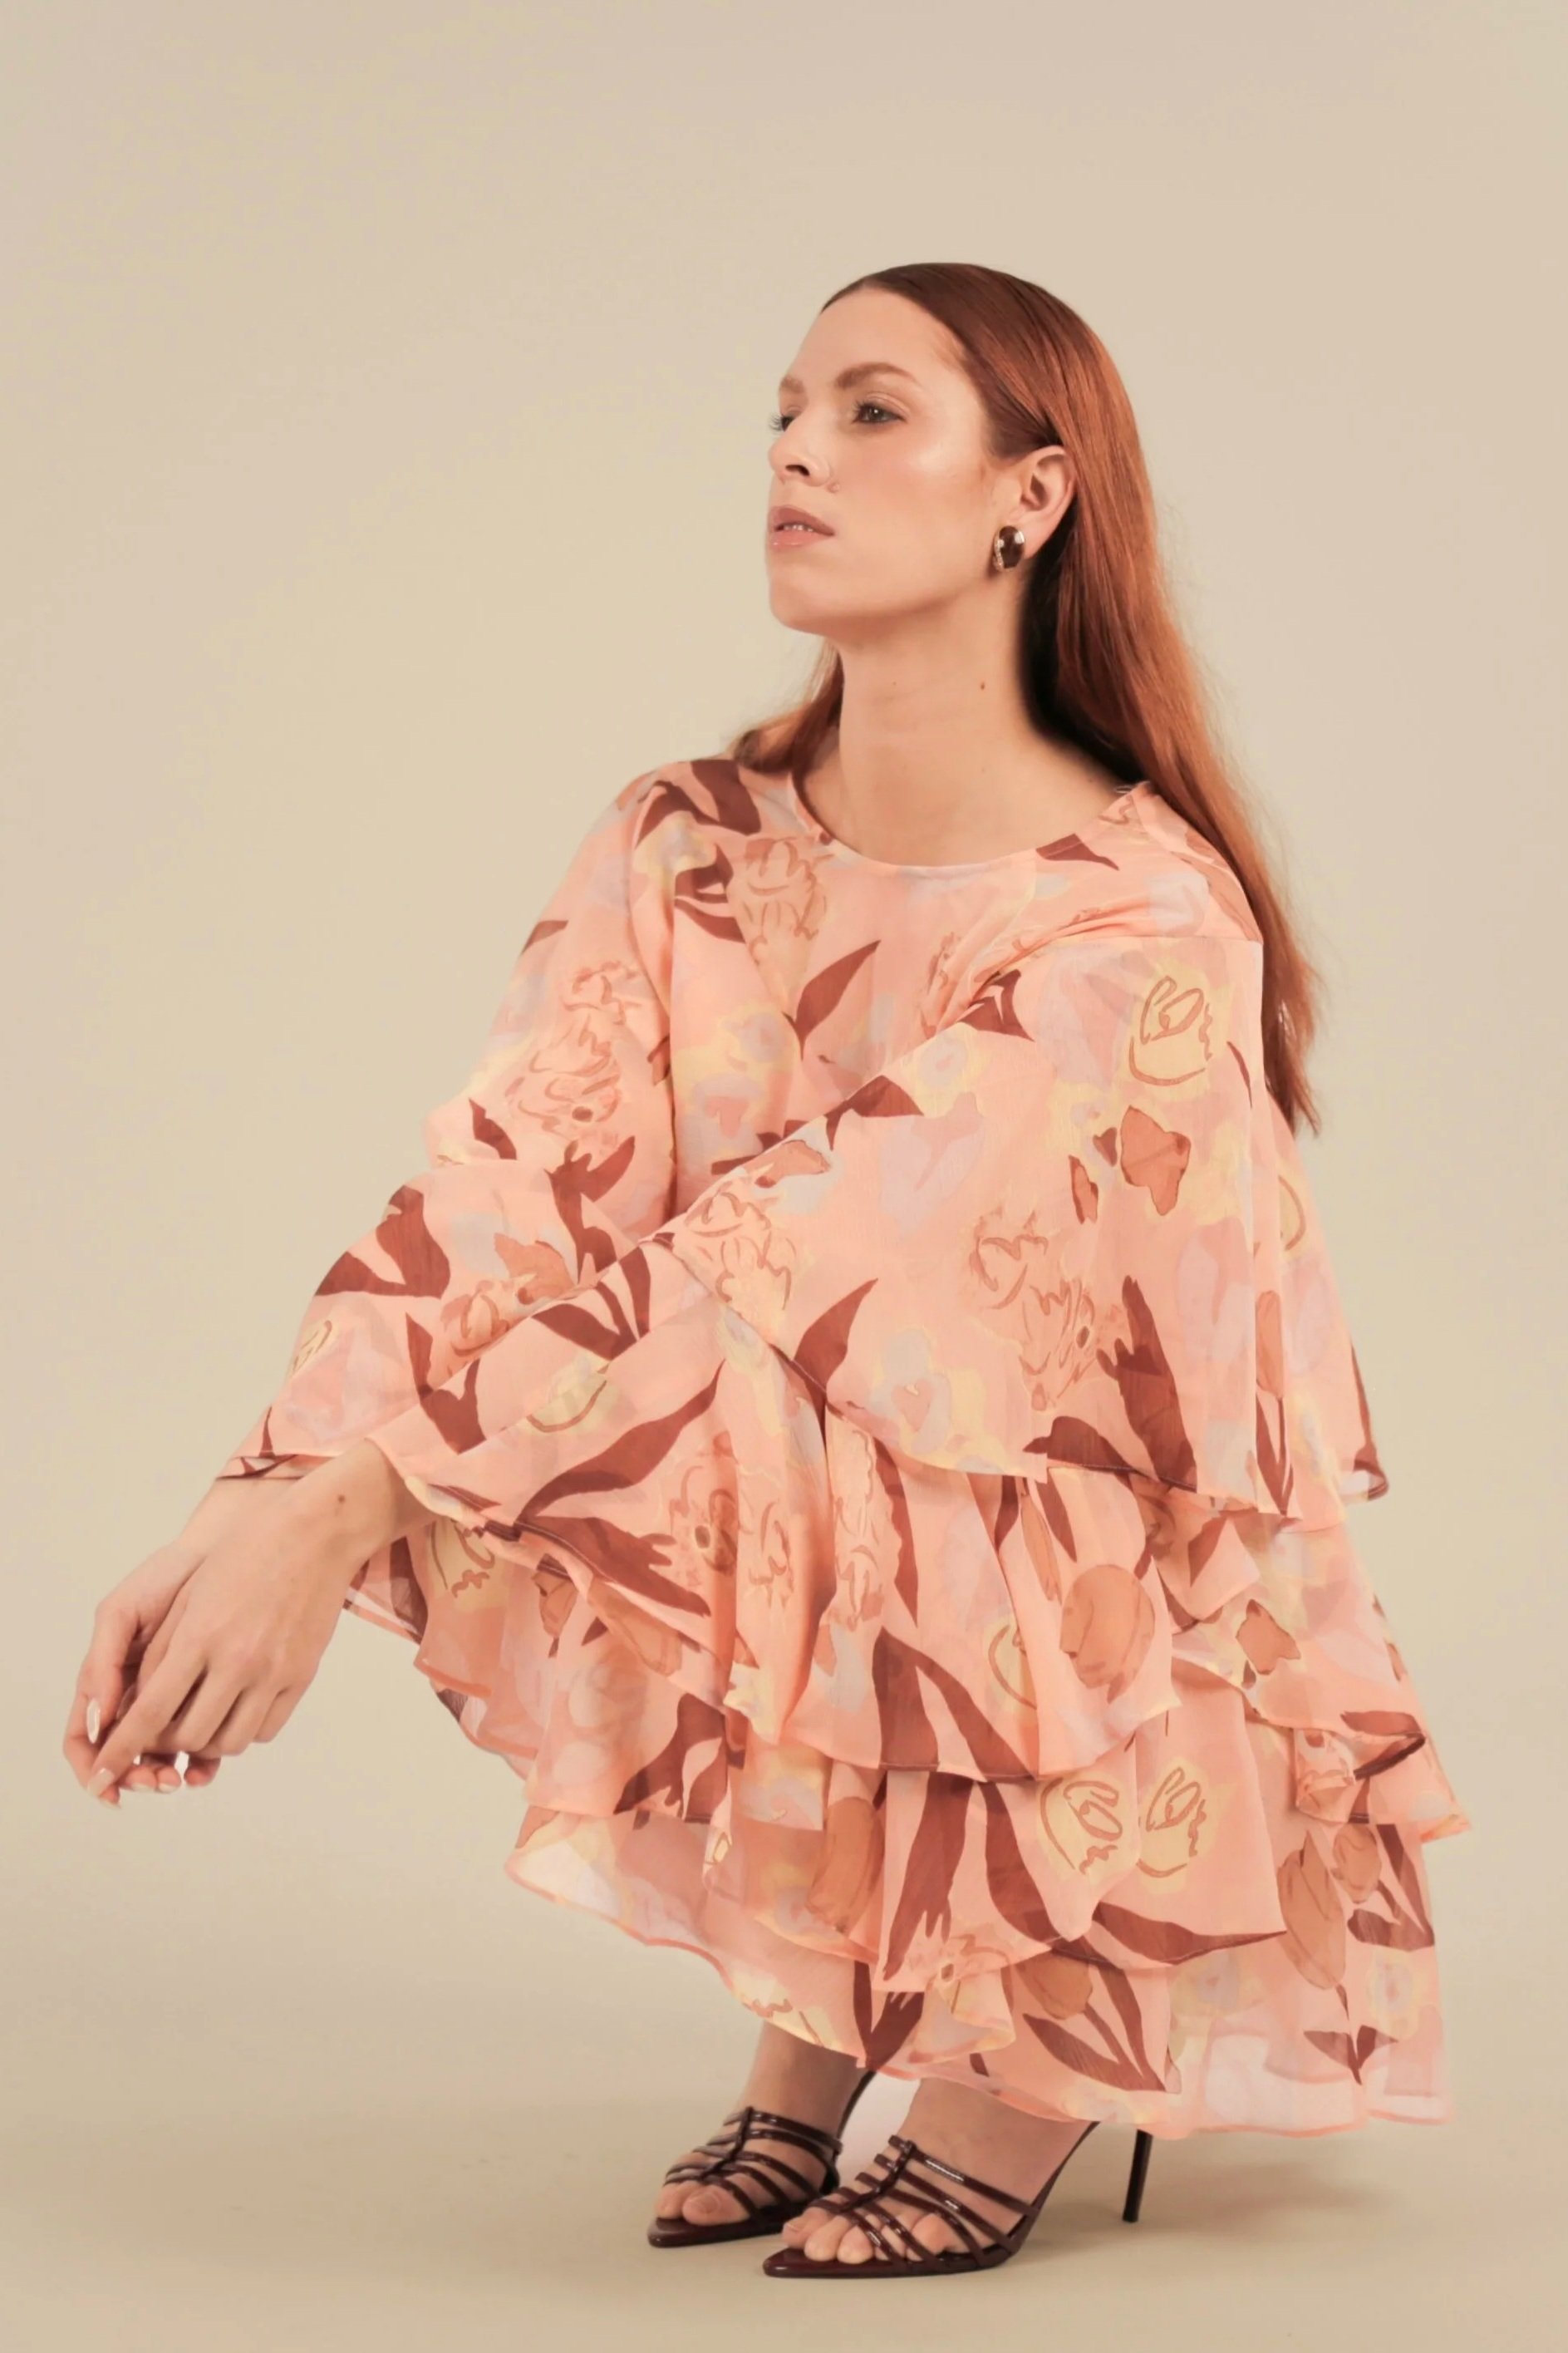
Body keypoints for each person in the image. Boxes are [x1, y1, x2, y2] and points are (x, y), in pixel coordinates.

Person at [64, 261, 1470, 2281]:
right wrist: (254, 1503)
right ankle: (836, 1993)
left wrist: (351, 1507)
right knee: (683, 1394)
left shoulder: (1138, 927)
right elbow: (507, 1182)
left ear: (1030, 496)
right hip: (771, 1398)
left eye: (870, 411)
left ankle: (1035, 2039)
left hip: (1060, 1534)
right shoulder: (687, 843)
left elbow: (778, 1267)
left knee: (893, 1394)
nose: (795, 452)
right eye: (784, 412)